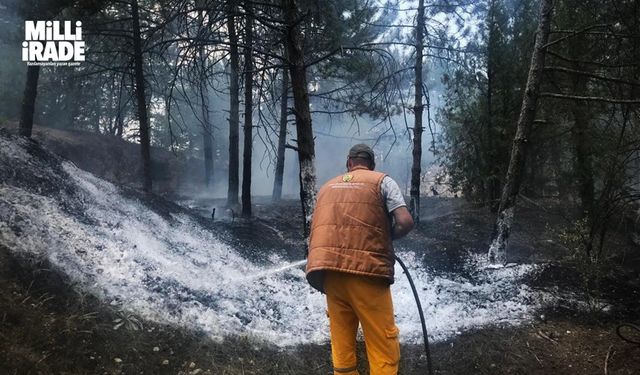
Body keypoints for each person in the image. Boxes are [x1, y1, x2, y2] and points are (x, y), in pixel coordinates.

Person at [306, 144, 414, 375]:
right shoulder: (382, 181)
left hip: (331, 274)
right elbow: (405, 221)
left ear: (349, 163)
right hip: (367, 273)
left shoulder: (326, 188)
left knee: (342, 347)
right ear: (371, 165)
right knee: (382, 343)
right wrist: (386, 238)